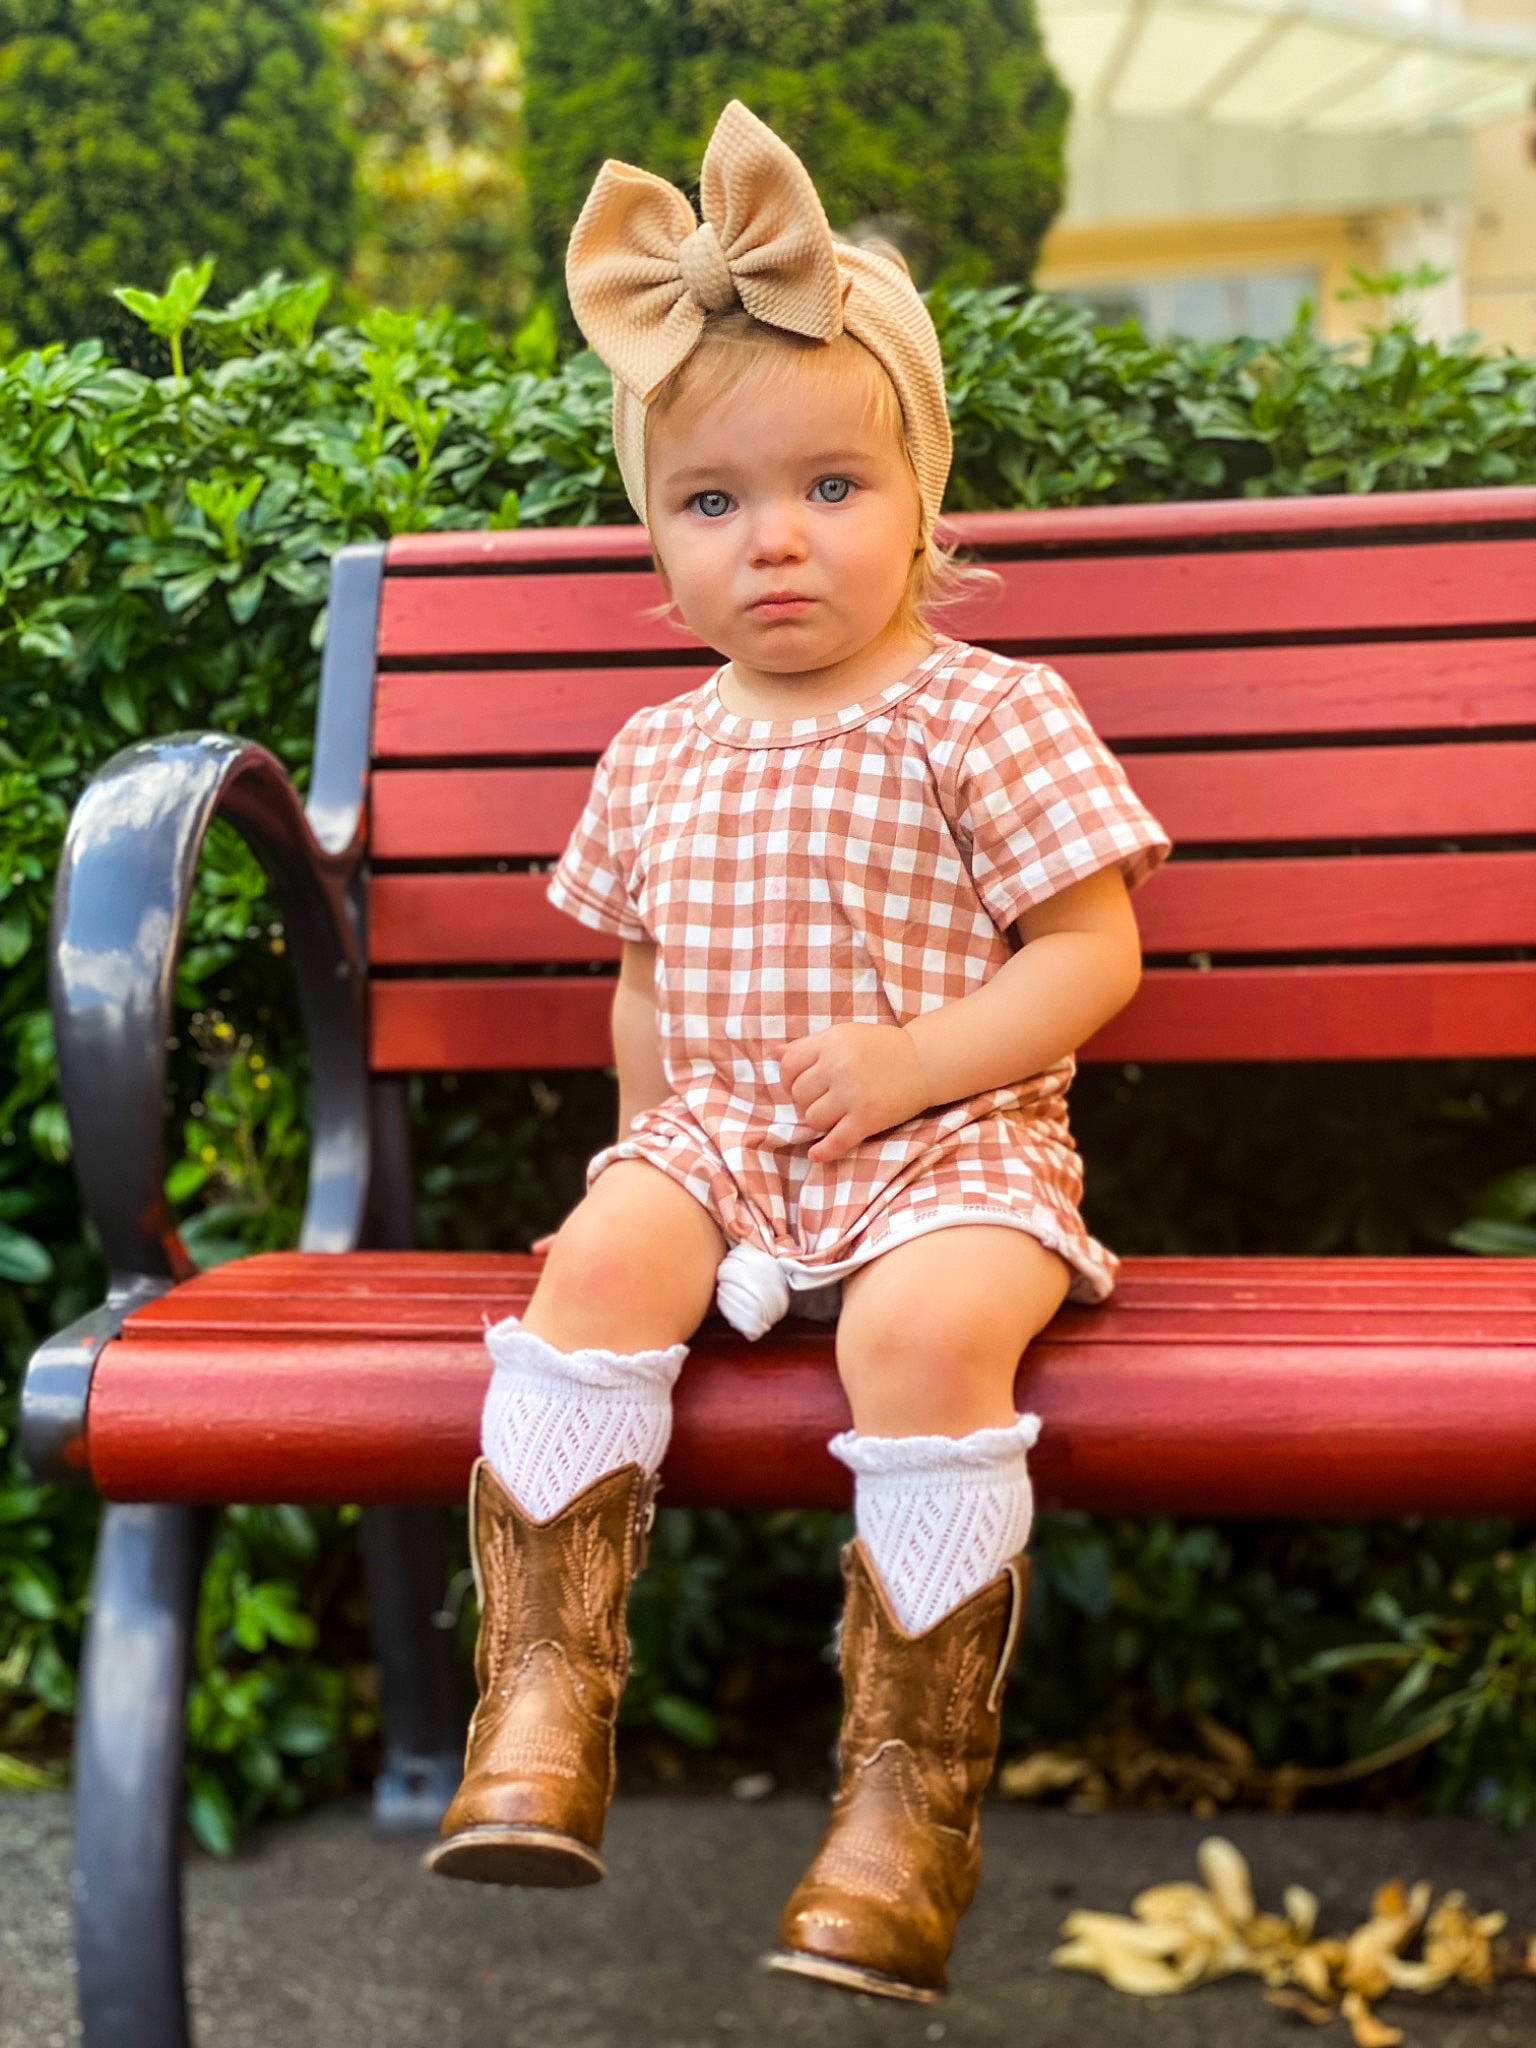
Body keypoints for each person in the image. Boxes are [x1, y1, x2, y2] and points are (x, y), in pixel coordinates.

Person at [423, 98, 1173, 2006]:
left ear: (925, 487)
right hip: (734, 1148)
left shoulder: (984, 713)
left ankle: (904, 1807)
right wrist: (642, 1161)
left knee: (921, 1334)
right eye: (713, 502)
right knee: (597, 1258)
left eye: (832, 488)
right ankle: (539, 1708)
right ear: (654, 532)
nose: (775, 542)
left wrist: (922, 1063)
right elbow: (648, 994)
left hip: (958, 1152)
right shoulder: (659, 750)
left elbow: (1094, 954)